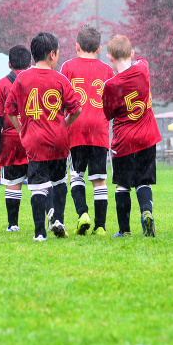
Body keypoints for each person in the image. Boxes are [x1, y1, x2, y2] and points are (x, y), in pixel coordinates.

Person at [5, 33, 82, 241]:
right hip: (58, 140)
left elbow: (9, 110)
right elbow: (76, 109)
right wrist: (63, 125)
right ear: (52, 54)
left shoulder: (21, 79)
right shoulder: (60, 79)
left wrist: (22, 129)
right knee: (59, 182)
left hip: (34, 140)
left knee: (38, 187)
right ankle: (59, 220)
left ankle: (39, 233)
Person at [102, 36, 162, 238]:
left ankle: (124, 230)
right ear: (132, 54)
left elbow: (108, 114)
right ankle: (146, 211)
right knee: (143, 181)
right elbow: (141, 62)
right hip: (147, 137)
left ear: (109, 58)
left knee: (123, 185)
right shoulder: (143, 68)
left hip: (124, 141)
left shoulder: (110, 85)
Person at [60, 24, 114, 235]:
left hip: (75, 127)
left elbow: (62, 97)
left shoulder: (68, 67)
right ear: (99, 49)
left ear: (77, 46)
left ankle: (82, 213)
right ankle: (100, 226)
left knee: (76, 175)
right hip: (99, 129)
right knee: (99, 179)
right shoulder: (107, 70)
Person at [0, 45, 31, 232]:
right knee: (41, 183)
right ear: (30, 63)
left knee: (13, 184)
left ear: (9, 64)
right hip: (35, 138)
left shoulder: (1, 85)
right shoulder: (35, 81)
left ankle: (13, 224)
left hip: (11, 140)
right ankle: (50, 219)